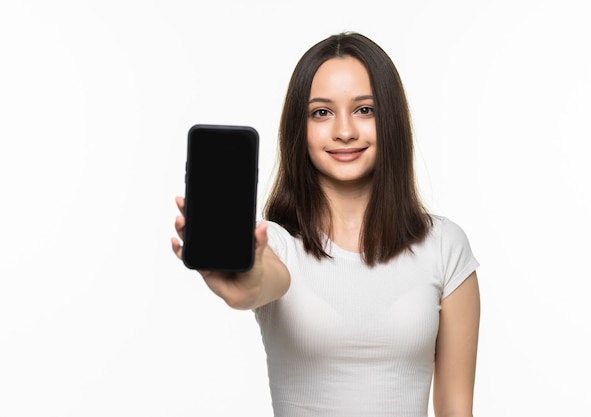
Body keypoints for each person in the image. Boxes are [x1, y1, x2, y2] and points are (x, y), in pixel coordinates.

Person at [172, 31, 480, 417]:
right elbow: (260, 282)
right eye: (322, 112)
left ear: (392, 119)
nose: (345, 130)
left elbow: (457, 410)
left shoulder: (444, 246)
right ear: (299, 129)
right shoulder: (279, 245)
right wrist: (240, 278)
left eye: (365, 109)